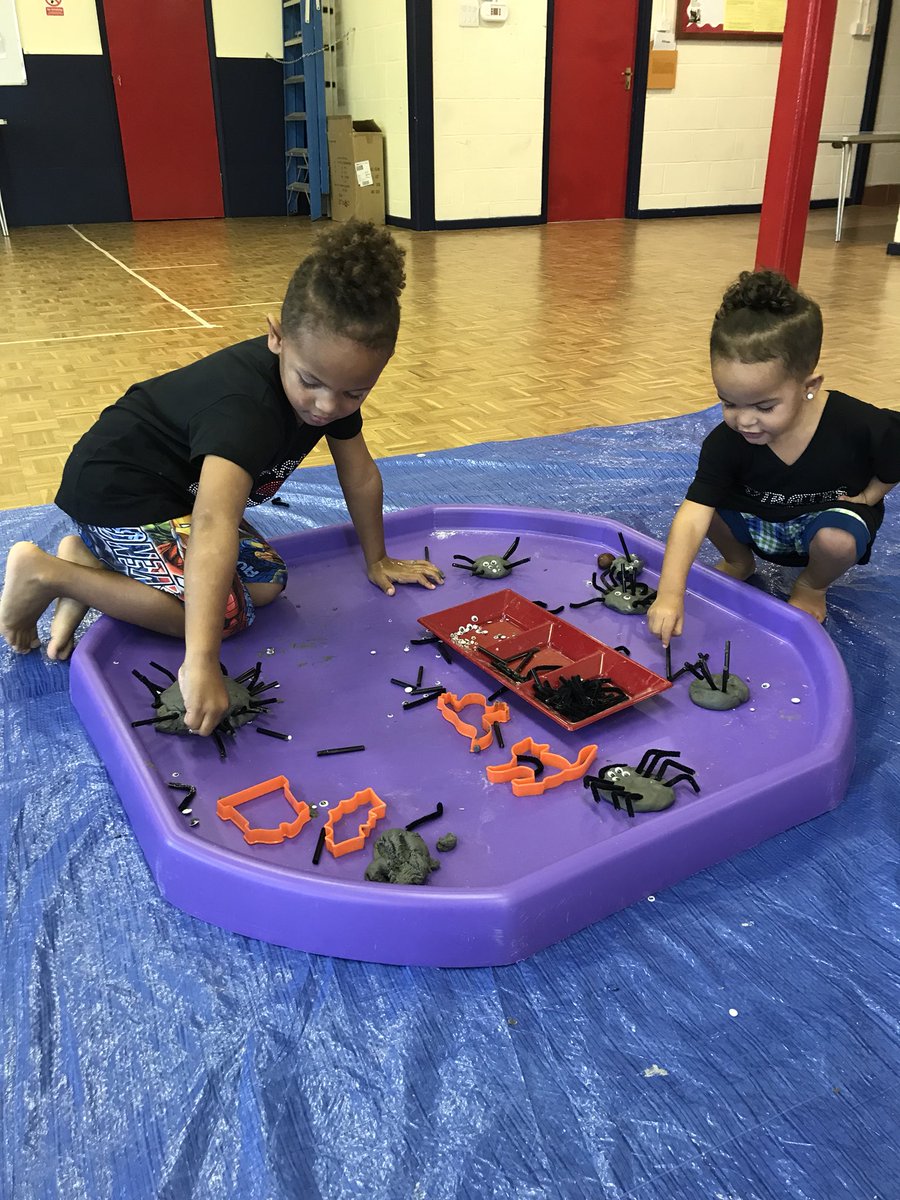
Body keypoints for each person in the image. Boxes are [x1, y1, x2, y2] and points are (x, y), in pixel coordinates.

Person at [0, 220, 443, 733]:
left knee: (268, 583)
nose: (328, 407)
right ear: (277, 336)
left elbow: (360, 474)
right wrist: (202, 660)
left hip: (172, 497)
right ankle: (48, 573)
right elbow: (213, 524)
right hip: (119, 491)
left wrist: (378, 559)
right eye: (312, 383)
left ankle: (90, 561)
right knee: (227, 615)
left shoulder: (331, 383)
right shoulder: (246, 411)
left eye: (354, 393)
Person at [648, 268, 900, 646]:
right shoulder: (725, 442)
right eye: (728, 402)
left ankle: (812, 585)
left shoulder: (857, 423)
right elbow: (692, 517)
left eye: (764, 406)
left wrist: (870, 497)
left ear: (809, 386)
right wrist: (669, 594)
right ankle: (739, 562)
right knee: (703, 505)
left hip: (820, 526)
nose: (744, 420)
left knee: (837, 540)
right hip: (756, 523)